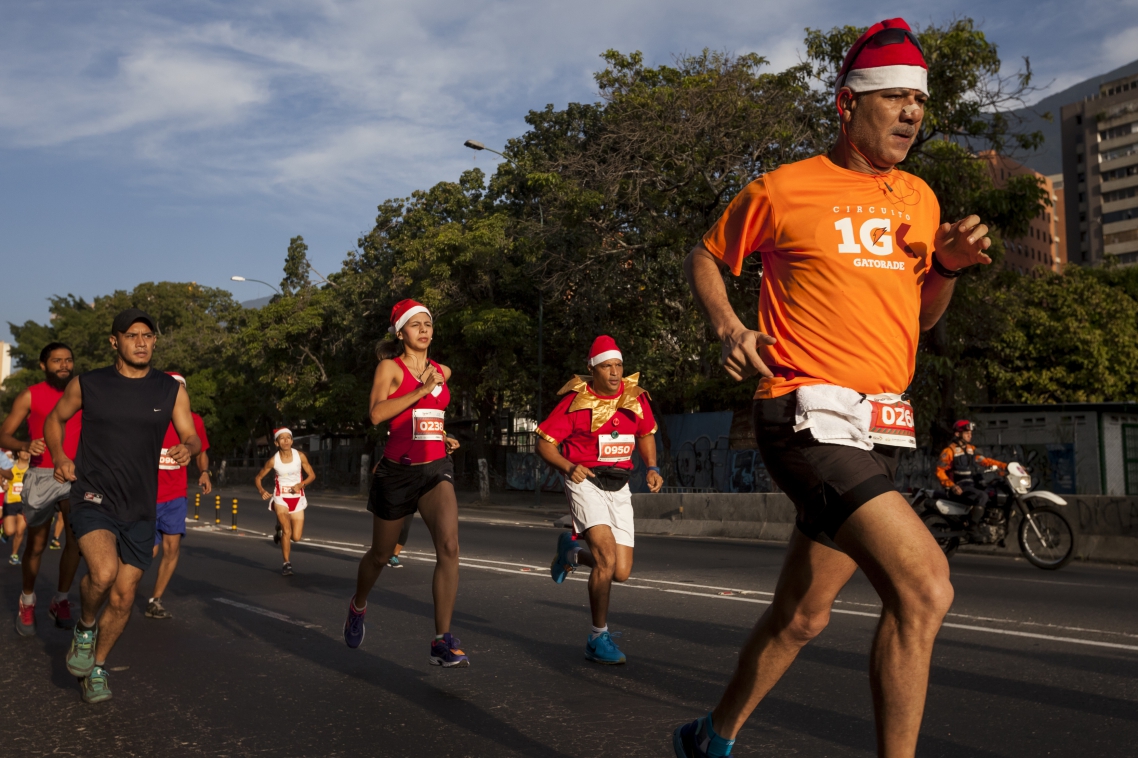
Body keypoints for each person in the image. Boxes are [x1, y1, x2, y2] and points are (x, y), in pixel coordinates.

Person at [674, 19, 994, 757]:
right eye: (893, 97)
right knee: (925, 587)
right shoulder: (785, 189)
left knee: (802, 616)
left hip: (879, 427)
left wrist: (943, 266)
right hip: (804, 412)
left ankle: (709, 739)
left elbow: (920, 312)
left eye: (919, 98)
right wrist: (729, 327)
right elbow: (706, 254)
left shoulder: (918, 198)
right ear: (847, 106)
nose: (912, 112)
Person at [45, 308, 201, 704]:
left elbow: (191, 434)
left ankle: (96, 666)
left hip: (141, 504)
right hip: (93, 496)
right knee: (103, 572)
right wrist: (61, 456)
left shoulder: (170, 389)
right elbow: (54, 419)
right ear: (115, 341)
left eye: (148, 335)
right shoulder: (89, 384)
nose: (142, 342)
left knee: (125, 596)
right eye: (133, 335)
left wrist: (188, 447)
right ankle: (84, 626)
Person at [343, 299, 466, 667]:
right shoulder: (390, 368)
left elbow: (428, 416)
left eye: (429, 323)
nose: (425, 330)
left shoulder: (443, 370)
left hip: (434, 469)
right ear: (401, 332)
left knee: (449, 545)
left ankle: (441, 640)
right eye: (416, 325)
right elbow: (377, 414)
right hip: (396, 472)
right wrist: (420, 389)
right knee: (381, 555)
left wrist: (440, 434)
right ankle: (358, 605)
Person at [536, 335, 663, 665]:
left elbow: (646, 433)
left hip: (619, 486)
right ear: (592, 369)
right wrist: (568, 467)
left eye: (619, 365)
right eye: (607, 366)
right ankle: (597, 637)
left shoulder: (635, 398)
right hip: (585, 481)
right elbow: (545, 444)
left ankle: (572, 553)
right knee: (606, 557)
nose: (615, 372)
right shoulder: (574, 402)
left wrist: (651, 467)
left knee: (620, 571)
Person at [0, 342, 84, 634]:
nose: (64, 365)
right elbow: (4, 435)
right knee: (36, 544)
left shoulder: (84, 392)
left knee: (76, 541)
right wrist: (24, 444)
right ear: (43, 365)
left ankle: (60, 599)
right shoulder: (30, 395)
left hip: (75, 474)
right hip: (41, 475)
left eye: (68, 360)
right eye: (57, 360)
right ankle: (27, 600)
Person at [145, 372, 212, 618]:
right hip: (146, 494)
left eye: (180, 389)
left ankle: (155, 600)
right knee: (147, 552)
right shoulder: (149, 418)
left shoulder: (194, 421)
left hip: (175, 495)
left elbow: (201, 449)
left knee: (171, 547)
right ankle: (123, 590)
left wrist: (204, 472)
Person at [254, 428, 315, 576]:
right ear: (276, 442)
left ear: (292, 441)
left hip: (298, 498)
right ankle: (286, 563)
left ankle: (279, 530)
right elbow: (258, 478)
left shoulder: (300, 456)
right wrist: (262, 491)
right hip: (281, 498)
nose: (286, 440)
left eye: (289, 438)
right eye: (282, 438)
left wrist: (302, 484)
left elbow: (312, 475)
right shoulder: (273, 461)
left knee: (296, 537)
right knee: (287, 530)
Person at [936, 420, 1007, 528]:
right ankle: (972, 527)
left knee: (993, 492)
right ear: (957, 434)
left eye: (971, 433)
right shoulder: (949, 451)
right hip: (959, 486)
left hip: (972, 484)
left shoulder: (971, 450)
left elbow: (986, 461)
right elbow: (939, 471)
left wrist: (1005, 466)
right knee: (982, 496)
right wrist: (952, 486)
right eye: (966, 433)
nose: (970, 435)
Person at [3, 449, 31, 565]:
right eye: (23, 451)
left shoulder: (32, 469)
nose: (26, 454)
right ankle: (4, 532)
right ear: (18, 453)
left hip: (25, 504)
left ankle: (14, 554)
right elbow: (2, 476)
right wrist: (2, 485)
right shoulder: (10, 466)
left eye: (28, 452)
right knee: (10, 531)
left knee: (20, 531)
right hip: (10, 502)